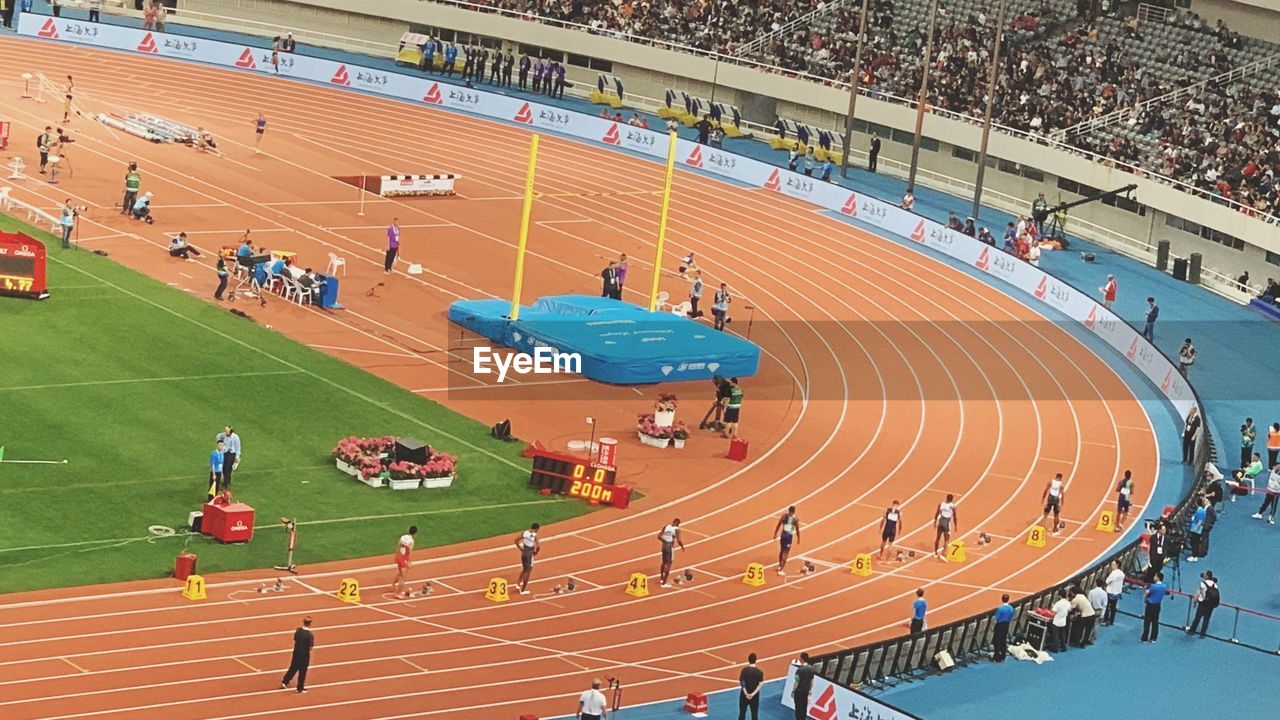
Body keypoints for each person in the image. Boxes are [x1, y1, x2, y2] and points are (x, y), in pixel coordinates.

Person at [280, 616, 314, 693]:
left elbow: (295, 639)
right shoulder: (310, 635)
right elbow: (310, 647)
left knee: (293, 667)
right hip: (304, 654)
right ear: (310, 624)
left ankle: (285, 681)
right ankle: (300, 688)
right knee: (302, 671)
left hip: (296, 652)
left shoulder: (298, 630)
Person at [1186, 570, 1219, 637]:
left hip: (1203, 603)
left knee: (1197, 617)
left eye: (1204, 574)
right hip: (1211, 604)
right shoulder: (1215, 584)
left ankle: (1192, 631)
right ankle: (1203, 633)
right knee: (1206, 619)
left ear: (1207, 576)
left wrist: (1195, 601)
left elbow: (1198, 593)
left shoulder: (1202, 583)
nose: (1203, 575)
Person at [773, 505, 799, 576]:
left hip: (783, 535)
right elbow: (797, 529)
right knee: (786, 553)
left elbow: (778, 525)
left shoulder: (784, 516)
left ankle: (779, 566)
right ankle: (781, 570)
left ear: (788, 510)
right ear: (794, 511)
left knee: (781, 550)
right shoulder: (795, 519)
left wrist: (775, 533)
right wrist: (798, 538)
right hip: (789, 537)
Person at [1140, 571, 1167, 642]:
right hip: (1158, 605)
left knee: (1147, 621)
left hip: (1150, 605)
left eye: (1155, 576)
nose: (1154, 577)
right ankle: (1153, 638)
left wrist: (1144, 599)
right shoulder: (1164, 586)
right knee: (1155, 621)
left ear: (1158, 578)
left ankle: (1144, 638)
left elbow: (1147, 592)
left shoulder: (1153, 586)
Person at [392, 525, 417, 598]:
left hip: (399, 557)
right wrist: (409, 562)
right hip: (403, 559)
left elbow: (398, 546)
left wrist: (396, 556)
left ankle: (393, 585)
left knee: (400, 573)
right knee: (403, 577)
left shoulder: (403, 537)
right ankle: (398, 593)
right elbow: (410, 552)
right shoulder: (411, 541)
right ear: (415, 533)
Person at [736, 653, 764, 720]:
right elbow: (760, 684)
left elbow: (742, 682)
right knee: (754, 715)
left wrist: (746, 693)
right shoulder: (759, 672)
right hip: (754, 696)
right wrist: (752, 694)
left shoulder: (744, 670)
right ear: (756, 660)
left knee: (742, 714)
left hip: (744, 695)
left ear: (748, 660)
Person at [657, 519, 684, 587]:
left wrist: (665, 541)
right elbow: (679, 540)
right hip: (670, 548)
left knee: (663, 562)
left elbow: (659, 536)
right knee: (669, 564)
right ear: (678, 524)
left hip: (664, 546)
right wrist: (682, 546)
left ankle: (661, 578)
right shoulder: (677, 530)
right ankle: (664, 583)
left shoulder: (666, 527)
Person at [514, 522, 539, 595]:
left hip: (523, 553)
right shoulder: (535, 536)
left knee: (524, 569)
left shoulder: (525, 533)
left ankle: (518, 584)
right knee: (528, 571)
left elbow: (516, 540)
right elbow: (538, 546)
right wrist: (535, 552)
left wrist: (520, 548)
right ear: (537, 529)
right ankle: (523, 590)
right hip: (529, 555)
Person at [791, 653, 817, 720]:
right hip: (806, 691)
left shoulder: (800, 670)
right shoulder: (811, 669)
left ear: (802, 659)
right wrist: (810, 691)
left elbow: (797, 681)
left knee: (798, 708)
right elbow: (812, 682)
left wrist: (793, 691)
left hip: (799, 691)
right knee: (804, 707)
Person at [933, 494, 958, 561]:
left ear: (946, 498)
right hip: (946, 523)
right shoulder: (953, 506)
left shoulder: (941, 504)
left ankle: (935, 552)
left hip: (940, 522)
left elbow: (937, 513)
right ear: (952, 499)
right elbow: (955, 517)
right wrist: (955, 526)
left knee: (938, 538)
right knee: (947, 539)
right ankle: (943, 554)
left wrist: (935, 522)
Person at [991, 594, 1014, 661]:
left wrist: (992, 627)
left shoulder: (1000, 608)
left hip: (999, 625)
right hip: (1006, 625)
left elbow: (996, 618)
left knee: (996, 641)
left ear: (1002, 599)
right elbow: (1011, 616)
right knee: (1003, 640)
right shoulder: (1011, 608)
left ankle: (996, 656)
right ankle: (1003, 656)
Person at [1049, 588, 1071, 653]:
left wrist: (1052, 609)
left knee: (1056, 635)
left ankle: (1055, 649)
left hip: (1056, 622)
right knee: (1062, 635)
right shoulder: (1068, 603)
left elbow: (1053, 614)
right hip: (1063, 621)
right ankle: (1063, 647)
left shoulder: (1058, 603)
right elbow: (1069, 610)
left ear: (1060, 595)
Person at [1103, 559, 1124, 626]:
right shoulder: (1122, 574)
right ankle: (1112, 621)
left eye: (1113, 564)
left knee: (1107, 606)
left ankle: (1106, 620)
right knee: (1113, 608)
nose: (1111, 566)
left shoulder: (1113, 574)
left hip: (1110, 592)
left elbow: (1107, 581)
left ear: (1117, 565)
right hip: (1117, 592)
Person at [1187, 496, 1207, 561]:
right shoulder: (1201, 510)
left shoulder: (1200, 511)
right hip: (1196, 529)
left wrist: (1196, 529)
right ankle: (1195, 554)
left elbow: (1200, 521)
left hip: (1196, 529)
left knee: (1194, 542)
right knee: (1195, 542)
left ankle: (1194, 555)